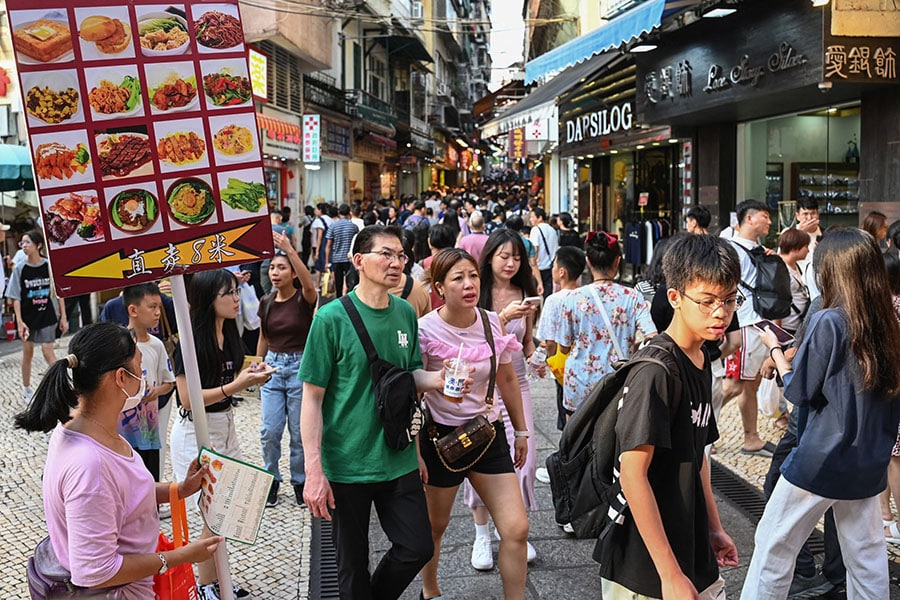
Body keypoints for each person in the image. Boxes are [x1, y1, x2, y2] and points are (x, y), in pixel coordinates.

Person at [742, 227, 900, 599]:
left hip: (820, 459)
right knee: (866, 556)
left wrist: (776, 351)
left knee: (773, 544)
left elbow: (799, 390)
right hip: (868, 459)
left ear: (831, 270)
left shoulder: (829, 320)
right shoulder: (889, 326)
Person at [14, 322, 222, 597]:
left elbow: (126, 495)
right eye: (140, 367)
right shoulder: (90, 466)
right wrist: (180, 556)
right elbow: (95, 571)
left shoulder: (83, 428)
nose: (144, 377)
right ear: (121, 378)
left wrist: (178, 490)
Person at [299, 225, 440, 600]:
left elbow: (407, 382)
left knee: (417, 547)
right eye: (387, 254)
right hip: (347, 463)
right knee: (351, 567)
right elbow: (311, 398)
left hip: (397, 457)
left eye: (401, 256)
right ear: (359, 260)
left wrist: (441, 381)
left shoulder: (406, 314)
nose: (396, 263)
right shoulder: (330, 319)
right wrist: (314, 471)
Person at [597, 234, 740, 599]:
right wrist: (669, 573)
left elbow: (698, 454)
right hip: (644, 566)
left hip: (689, 544)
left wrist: (713, 526)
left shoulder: (701, 357)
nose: (720, 312)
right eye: (707, 301)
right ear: (674, 297)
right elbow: (632, 474)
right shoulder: (656, 372)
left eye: (729, 300)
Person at [418, 247, 530, 600]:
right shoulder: (424, 329)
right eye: (458, 278)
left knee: (516, 528)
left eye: (473, 276)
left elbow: (508, 379)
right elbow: (410, 385)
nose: (469, 284)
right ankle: (430, 591)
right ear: (439, 287)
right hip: (440, 439)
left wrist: (522, 430)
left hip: (486, 434)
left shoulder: (490, 321)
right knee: (435, 527)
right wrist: (435, 380)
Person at [169, 269, 271, 598]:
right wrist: (237, 385)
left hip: (225, 425)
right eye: (228, 293)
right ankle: (203, 586)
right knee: (212, 513)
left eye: (236, 291)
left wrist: (252, 373)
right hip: (195, 430)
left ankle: (220, 579)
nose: (236, 299)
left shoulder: (230, 334)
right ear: (208, 299)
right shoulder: (190, 342)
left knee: (228, 508)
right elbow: (187, 398)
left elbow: (231, 378)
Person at [463, 229, 540, 570]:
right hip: (482, 390)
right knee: (478, 462)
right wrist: (503, 318)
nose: (510, 263)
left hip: (518, 385)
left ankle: (512, 530)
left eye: (517, 258)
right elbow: (465, 340)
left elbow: (528, 343)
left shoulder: (526, 293)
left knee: (525, 462)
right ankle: (481, 535)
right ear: (490, 256)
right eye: (504, 256)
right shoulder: (474, 292)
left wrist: (538, 355)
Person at [555, 230, 655, 414]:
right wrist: (632, 345)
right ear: (618, 261)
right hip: (617, 382)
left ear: (588, 261)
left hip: (579, 383)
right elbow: (652, 337)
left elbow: (563, 347)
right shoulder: (632, 297)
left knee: (576, 439)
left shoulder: (571, 298)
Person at [258, 232, 318, 507]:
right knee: (270, 430)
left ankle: (299, 481)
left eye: (281, 267)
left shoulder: (303, 300)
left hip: (299, 368)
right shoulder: (266, 302)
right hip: (272, 367)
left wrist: (290, 250)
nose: (275, 272)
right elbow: (263, 336)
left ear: (293, 273)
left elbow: (310, 286)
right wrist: (257, 367)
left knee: (298, 431)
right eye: (272, 267)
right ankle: (271, 479)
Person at [722, 199, 775, 455]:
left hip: (756, 324)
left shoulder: (757, 249)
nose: (769, 221)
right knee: (734, 384)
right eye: (765, 216)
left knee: (750, 384)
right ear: (750, 218)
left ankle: (751, 438)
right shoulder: (731, 249)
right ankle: (692, 428)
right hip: (743, 326)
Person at [117, 283, 176, 484]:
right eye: (152, 307)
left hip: (148, 431)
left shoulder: (156, 345)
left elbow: (170, 382)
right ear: (133, 310)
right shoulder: (118, 345)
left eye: (159, 306)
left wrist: (156, 390)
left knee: (149, 482)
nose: (158, 313)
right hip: (122, 432)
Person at [6, 229, 67, 402]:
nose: (24, 246)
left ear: (38, 245)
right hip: (27, 317)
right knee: (28, 352)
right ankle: (26, 389)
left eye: (27, 242)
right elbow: (16, 297)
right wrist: (19, 322)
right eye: (22, 243)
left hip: (47, 315)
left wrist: (63, 317)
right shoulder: (20, 268)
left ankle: (62, 388)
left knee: (49, 352)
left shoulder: (49, 266)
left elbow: (59, 293)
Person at [536, 246, 586, 437]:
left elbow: (550, 342)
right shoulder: (586, 296)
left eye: (554, 265)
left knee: (565, 413)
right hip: (585, 363)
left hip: (563, 366)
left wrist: (548, 360)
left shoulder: (553, 300)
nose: (552, 269)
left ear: (562, 272)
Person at [777, 228, 810, 335]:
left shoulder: (796, 266)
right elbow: (776, 301)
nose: (808, 251)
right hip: (787, 327)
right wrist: (778, 333)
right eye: (806, 247)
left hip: (796, 324)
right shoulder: (779, 267)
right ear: (796, 247)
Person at [325, 204, 358, 298]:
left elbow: (328, 245)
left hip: (336, 258)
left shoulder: (333, 226)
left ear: (339, 213)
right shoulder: (353, 227)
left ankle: (339, 300)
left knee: (338, 283)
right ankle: (349, 300)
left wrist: (327, 262)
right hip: (349, 259)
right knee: (350, 282)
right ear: (349, 213)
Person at [529, 207, 558, 298]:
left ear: (540, 218)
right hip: (550, 266)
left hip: (539, 268)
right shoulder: (552, 230)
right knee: (548, 295)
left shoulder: (535, 230)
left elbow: (535, 249)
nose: (531, 219)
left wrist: (533, 265)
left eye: (533, 217)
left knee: (535, 296)